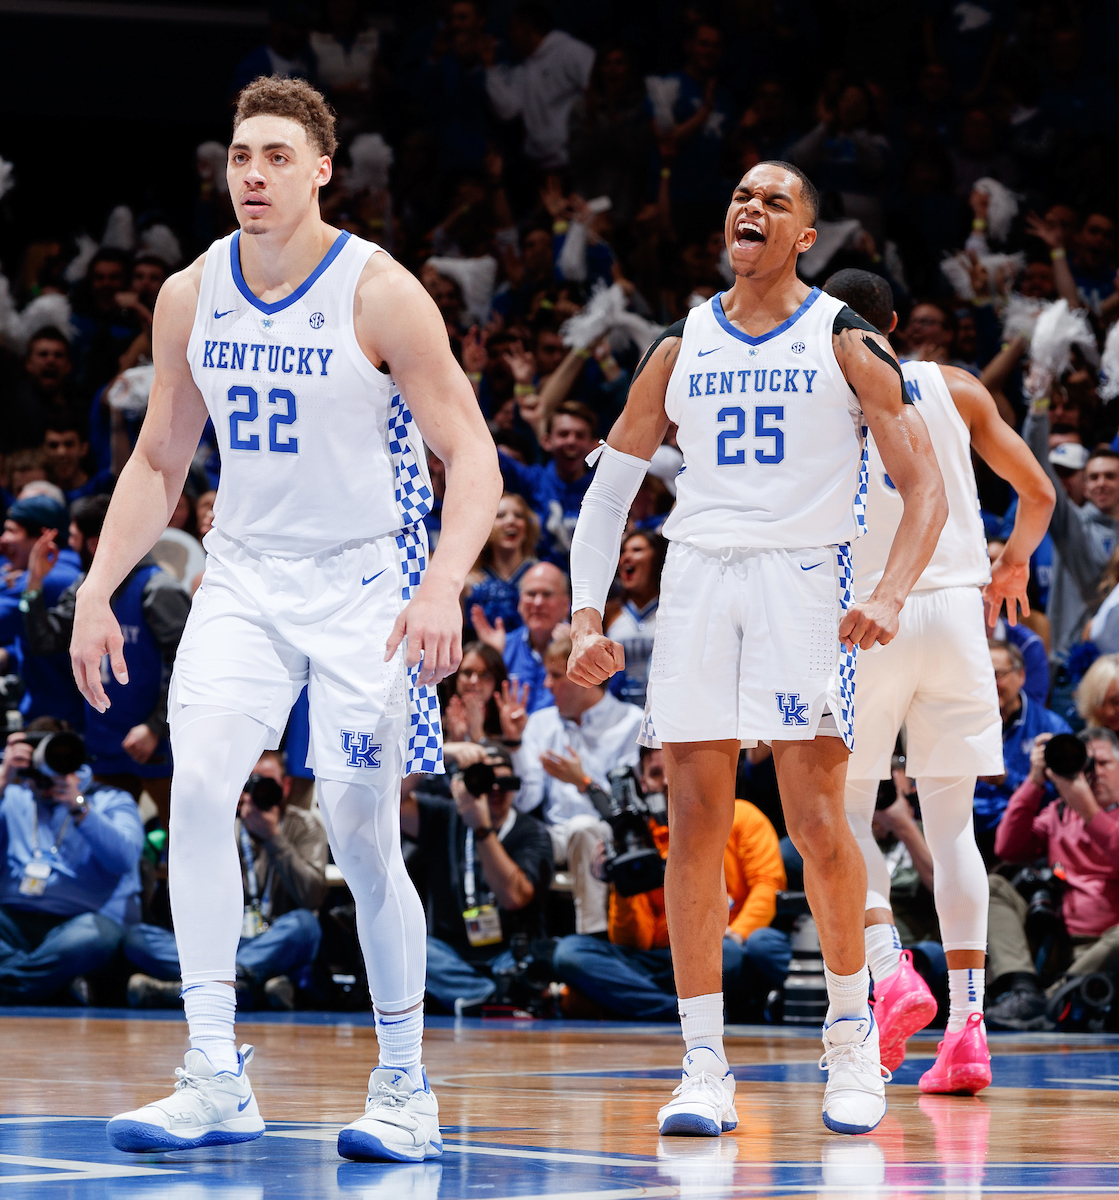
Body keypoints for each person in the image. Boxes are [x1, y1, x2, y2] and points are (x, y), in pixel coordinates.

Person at [70, 77, 501, 1160]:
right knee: (204, 785)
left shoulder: (381, 291)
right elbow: (162, 457)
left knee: (360, 830)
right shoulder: (190, 292)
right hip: (248, 577)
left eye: (273, 157)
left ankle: (404, 1088)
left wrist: (444, 579)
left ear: (321, 168)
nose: (250, 175)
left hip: (369, 584)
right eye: (237, 158)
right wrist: (95, 587)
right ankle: (214, 1071)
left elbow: (475, 455)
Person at [568, 160, 948, 1137]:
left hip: (800, 582)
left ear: (804, 237)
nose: (752, 207)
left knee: (819, 824)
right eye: (742, 196)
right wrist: (584, 613)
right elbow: (610, 491)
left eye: (776, 202)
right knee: (692, 825)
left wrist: (892, 591)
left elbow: (927, 486)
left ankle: (849, 1039)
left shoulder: (845, 337)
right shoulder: (678, 343)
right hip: (698, 579)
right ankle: (703, 1066)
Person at [823, 268, 1055, 1093]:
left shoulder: (824, 386)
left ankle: (889, 971)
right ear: (896, 321)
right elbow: (1036, 490)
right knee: (953, 827)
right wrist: (1013, 561)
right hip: (959, 612)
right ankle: (966, 1032)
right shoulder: (955, 386)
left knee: (841, 811)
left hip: (868, 614)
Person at [554, 746, 788, 1019]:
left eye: (676, 771)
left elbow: (767, 885)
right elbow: (636, 941)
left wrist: (736, 933)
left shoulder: (741, 815)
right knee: (570, 953)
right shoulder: (639, 839)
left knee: (731, 954)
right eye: (656, 773)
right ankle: (675, 1011)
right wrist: (623, 883)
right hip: (662, 959)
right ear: (643, 783)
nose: (667, 781)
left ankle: (639, 1003)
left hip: (724, 947)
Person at [19, 495, 190, 828]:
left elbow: (186, 666)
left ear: (94, 543)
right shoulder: (85, 589)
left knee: (182, 847)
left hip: (156, 743)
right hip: (104, 744)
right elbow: (44, 641)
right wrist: (33, 585)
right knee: (105, 848)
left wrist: (155, 727)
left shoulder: (158, 589)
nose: (70, 545)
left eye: (75, 538)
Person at [123, 750, 327, 1011]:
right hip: (223, 943)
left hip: (273, 940)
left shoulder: (304, 825)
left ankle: (199, 988)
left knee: (305, 926)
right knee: (136, 938)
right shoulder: (220, 822)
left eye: (265, 783)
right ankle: (245, 985)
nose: (256, 791)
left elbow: (312, 896)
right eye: (249, 782)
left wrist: (274, 838)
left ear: (285, 786)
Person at [403, 741, 553, 1014]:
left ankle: (478, 997)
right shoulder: (445, 816)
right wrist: (439, 752)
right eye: (484, 779)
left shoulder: (533, 832)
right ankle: (490, 998)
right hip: (450, 952)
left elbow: (514, 899)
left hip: (507, 953)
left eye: (504, 781)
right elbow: (388, 799)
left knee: (528, 965)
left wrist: (481, 830)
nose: (494, 789)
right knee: (403, 943)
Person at [984, 728, 1119, 1030]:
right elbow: (1008, 847)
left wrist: (1089, 811)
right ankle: (1025, 989)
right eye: (1087, 765)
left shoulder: (1085, 810)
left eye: (1103, 763)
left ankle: (1050, 998)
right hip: (1055, 940)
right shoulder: (1059, 812)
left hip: (1107, 948)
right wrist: (1034, 781)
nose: (1093, 773)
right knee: (993, 886)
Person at [509, 632, 643, 936]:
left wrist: (583, 782)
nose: (546, 685)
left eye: (556, 676)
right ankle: (518, 948)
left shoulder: (631, 723)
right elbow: (526, 802)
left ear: (586, 678)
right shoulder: (541, 723)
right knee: (505, 828)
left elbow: (629, 810)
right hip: (553, 834)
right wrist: (516, 745)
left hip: (608, 832)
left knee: (584, 828)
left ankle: (590, 939)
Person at [0, 724, 144, 1003]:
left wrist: (78, 806)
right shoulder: (13, 796)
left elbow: (125, 860)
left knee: (95, 937)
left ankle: (17, 984)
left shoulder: (110, 800)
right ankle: (51, 985)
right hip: (12, 922)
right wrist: (4, 778)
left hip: (79, 924)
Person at [974, 641, 1071, 854]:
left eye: (998, 674)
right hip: (965, 829)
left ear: (1021, 676)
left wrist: (1005, 780)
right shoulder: (961, 723)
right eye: (982, 674)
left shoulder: (1050, 728)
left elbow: (1064, 800)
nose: (989, 683)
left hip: (1021, 836)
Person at [0, 496, 85, 729]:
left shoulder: (45, 578)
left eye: (11, 530)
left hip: (58, 717)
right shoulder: (68, 567)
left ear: (43, 536)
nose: (3, 539)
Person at [476, 561, 570, 715]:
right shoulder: (504, 646)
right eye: (531, 594)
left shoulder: (585, 645)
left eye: (547, 594)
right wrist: (493, 658)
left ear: (566, 604)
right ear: (519, 603)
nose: (538, 603)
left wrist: (572, 650)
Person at [605, 531, 667, 707]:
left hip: (664, 711)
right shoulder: (609, 612)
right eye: (623, 551)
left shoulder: (675, 609)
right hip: (619, 717)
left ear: (657, 559)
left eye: (637, 550)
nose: (626, 557)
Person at [464, 493, 539, 638]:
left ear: (526, 528)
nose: (511, 521)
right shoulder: (469, 582)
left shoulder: (541, 576)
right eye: (500, 516)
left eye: (518, 515)